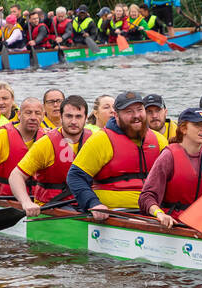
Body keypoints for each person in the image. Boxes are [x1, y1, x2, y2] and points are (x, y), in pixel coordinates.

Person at [67, 91, 168, 220]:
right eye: (129, 111)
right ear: (116, 115)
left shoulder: (159, 140)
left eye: (139, 110)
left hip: (153, 211)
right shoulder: (101, 140)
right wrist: (94, 203)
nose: (136, 115)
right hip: (114, 213)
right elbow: (75, 176)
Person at [10, 94, 91, 214]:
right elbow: (16, 176)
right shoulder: (45, 143)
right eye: (69, 116)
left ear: (86, 119)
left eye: (78, 117)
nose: (74, 121)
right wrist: (26, 202)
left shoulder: (94, 140)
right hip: (52, 204)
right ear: (61, 117)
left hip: (85, 201)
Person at [139, 108, 202, 226]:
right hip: (174, 225)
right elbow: (146, 197)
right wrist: (159, 214)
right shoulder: (168, 156)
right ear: (183, 128)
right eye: (197, 125)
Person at [0, 97, 45, 202]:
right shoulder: (3, 136)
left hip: (36, 199)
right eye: (28, 113)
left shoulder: (46, 138)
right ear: (19, 115)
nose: (33, 117)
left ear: (43, 116)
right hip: (4, 198)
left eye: (37, 113)